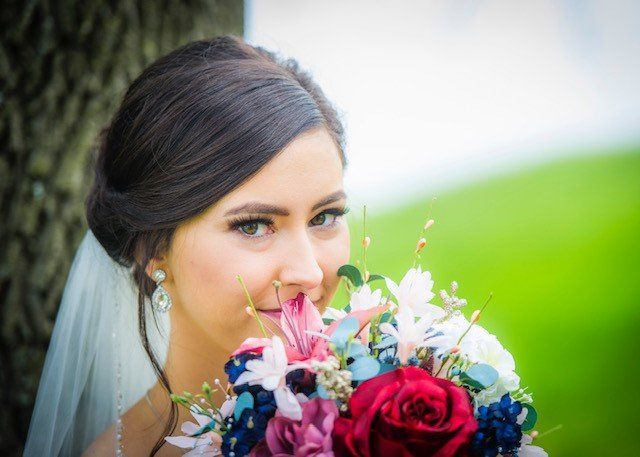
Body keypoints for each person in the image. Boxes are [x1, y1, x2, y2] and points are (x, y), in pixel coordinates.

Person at [23, 34, 351, 456]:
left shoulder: (387, 408)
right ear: (152, 249)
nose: (309, 272)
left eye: (324, 217)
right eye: (254, 226)